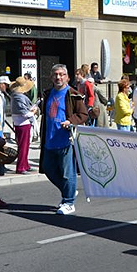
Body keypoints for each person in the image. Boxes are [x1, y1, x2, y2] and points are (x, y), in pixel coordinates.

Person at [39, 64, 89, 215]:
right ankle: (69, 191)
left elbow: (83, 114)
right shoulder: (48, 93)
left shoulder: (73, 94)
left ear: (67, 77)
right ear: (51, 77)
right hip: (49, 140)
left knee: (68, 173)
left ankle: (68, 202)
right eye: (55, 74)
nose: (58, 77)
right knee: (48, 168)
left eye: (61, 74)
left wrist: (70, 121)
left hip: (66, 141)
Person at [10, 76, 38, 174]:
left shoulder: (15, 96)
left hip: (20, 122)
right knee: (23, 146)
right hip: (23, 123)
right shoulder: (19, 97)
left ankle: (25, 164)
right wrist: (33, 111)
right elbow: (25, 113)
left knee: (24, 145)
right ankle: (21, 167)